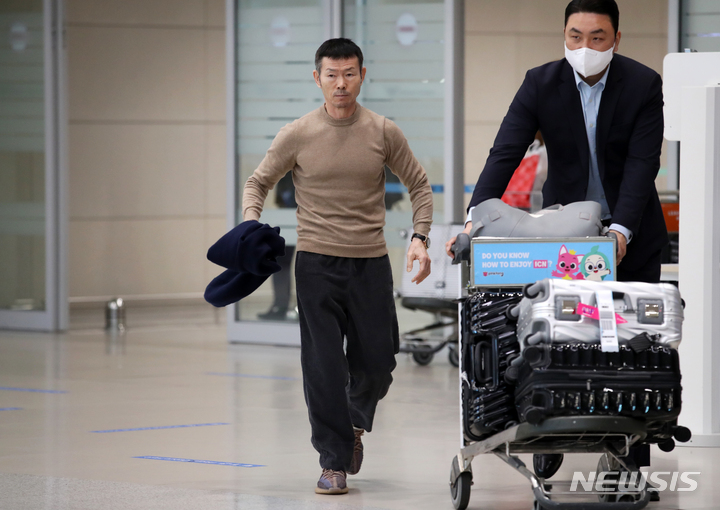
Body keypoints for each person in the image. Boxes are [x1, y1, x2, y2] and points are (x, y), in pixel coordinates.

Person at [446, 0, 667, 485]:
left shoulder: (643, 84)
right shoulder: (540, 82)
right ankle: (549, 437)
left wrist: (620, 232)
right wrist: (472, 222)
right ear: (563, 35)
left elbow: (641, 164)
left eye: (597, 38)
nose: (584, 48)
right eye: (574, 36)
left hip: (630, 233)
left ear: (616, 39)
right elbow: (505, 151)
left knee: (630, 347)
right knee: (560, 337)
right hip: (566, 237)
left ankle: (630, 462)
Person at [243, 38, 433, 495]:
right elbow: (258, 182)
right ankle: (333, 463)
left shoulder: (383, 131)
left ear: (362, 76)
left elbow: (420, 186)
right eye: (332, 74)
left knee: (379, 359)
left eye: (349, 73)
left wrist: (421, 238)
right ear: (317, 78)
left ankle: (353, 425)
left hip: (369, 262)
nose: (341, 83)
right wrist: (250, 225)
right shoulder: (298, 133)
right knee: (323, 366)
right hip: (315, 264)